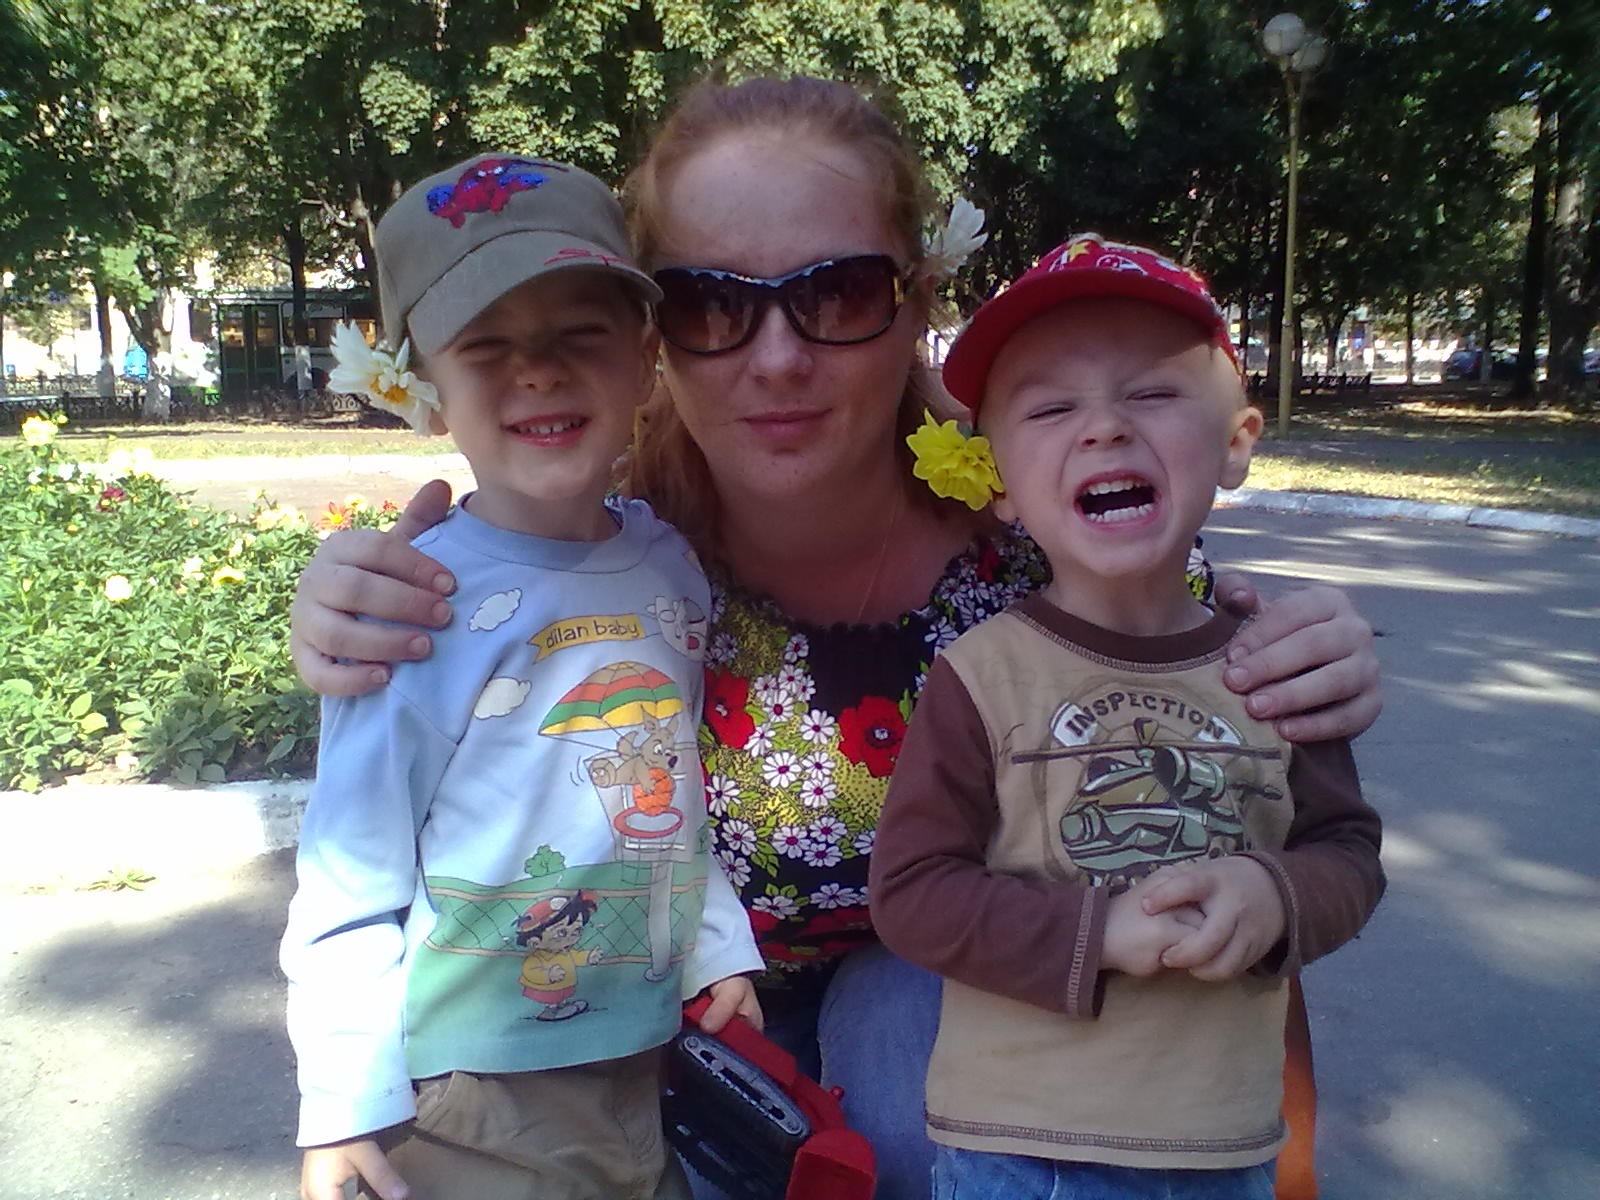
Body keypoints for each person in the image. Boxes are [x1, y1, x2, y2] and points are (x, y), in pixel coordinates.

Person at [286, 79, 1383, 1200]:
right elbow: (428, 688)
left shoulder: (1039, 538)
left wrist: (1309, 650)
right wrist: (339, 597)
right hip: (644, 1036)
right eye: (711, 303)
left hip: (967, 1020)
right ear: (654, 335)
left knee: (902, 1039)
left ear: (915, 302)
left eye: (839, 290)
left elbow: (1228, 816)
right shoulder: (605, 561)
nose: (776, 357)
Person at [280, 153, 763, 1200]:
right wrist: (344, 1097)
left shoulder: (669, 566)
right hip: (476, 1092)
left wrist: (718, 947)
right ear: (425, 390)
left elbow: (675, 792)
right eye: (485, 346)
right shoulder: (412, 603)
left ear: (645, 361)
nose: (536, 372)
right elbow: (352, 867)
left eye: (578, 334)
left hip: (645, 1053)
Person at [869, 235, 1385, 1200]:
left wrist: (1277, 896)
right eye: (1050, 408)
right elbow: (911, 892)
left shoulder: (1272, 667)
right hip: (1016, 1153)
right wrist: (1096, 934)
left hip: (1223, 1149)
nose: (1103, 428)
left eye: (1150, 393)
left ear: (1236, 443)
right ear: (999, 482)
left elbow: (1349, 855)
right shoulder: (980, 677)